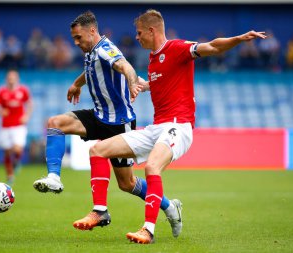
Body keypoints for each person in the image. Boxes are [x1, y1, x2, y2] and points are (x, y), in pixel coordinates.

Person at [73, 9, 267, 244]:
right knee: (97, 150)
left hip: (179, 126)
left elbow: (212, 47)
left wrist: (238, 38)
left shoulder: (176, 48)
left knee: (152, 167)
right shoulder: (154, 60)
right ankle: (101, 210)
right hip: (158, 127)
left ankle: (148, 229)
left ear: (151, 30)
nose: (136, 37)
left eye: (139, 32)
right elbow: (161, 85)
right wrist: (139, 86)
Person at [33, 11, 180, 234]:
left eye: (79, 38)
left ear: (92, 31)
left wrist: (132, 83)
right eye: (74, 38)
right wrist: (77, 84)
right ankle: (55, 177)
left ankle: (169, 206)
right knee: (55, 122)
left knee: (127, 183)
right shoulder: (92, 51)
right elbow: (90, 68)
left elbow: (125, 66)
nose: (76, 42)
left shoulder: (105, 48)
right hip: (100, 115)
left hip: (119, 122)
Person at [0, 69, 32, 185]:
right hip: (5, 126)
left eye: (13, 78)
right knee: (7, 152)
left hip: (19, 125)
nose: (11, 80)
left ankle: (17, 161)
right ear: (6, 79)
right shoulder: (1, 92)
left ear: (17, 79)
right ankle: (10, 175)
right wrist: (0, 111)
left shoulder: (23, 90)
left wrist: (27, 116)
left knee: (17, 148)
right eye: (9, 78)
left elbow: (30, 104)